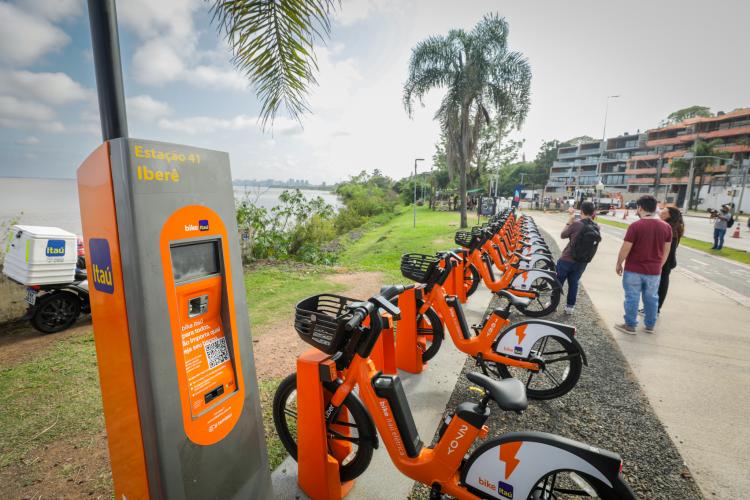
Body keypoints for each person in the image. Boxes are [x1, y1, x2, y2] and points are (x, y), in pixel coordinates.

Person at [614, 195, 672, 334]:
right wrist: (659, 265)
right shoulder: (666, 227)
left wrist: (619, 263)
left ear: (640, 207)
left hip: (634, 269)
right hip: (654, 271)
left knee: (632, 298)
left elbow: (626, 247)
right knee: (651, 298)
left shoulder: (635, 226)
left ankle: (630, 325)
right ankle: (650, 325)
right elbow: (666, 250)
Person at [556, 202, 599, 314]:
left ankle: (553, 304)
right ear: (593, 212)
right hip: (582, 261)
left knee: (558, 282)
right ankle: (570, 307)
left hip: (567, 259)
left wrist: (569, 222)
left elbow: (563, 235)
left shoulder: (577, 224)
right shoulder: (596, 227)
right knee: (574, 282)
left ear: (581, 211)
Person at [657, 206, 684, 312]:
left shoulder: (670, 229)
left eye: (664, 211)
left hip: (665, 261)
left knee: (660, 285)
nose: (661, 212)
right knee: (660, 284)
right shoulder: (671, 227)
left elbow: (669, 249)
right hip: (667, 261)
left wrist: (661, 263)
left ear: (669, 215)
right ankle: (654, 307)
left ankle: (656, 308)